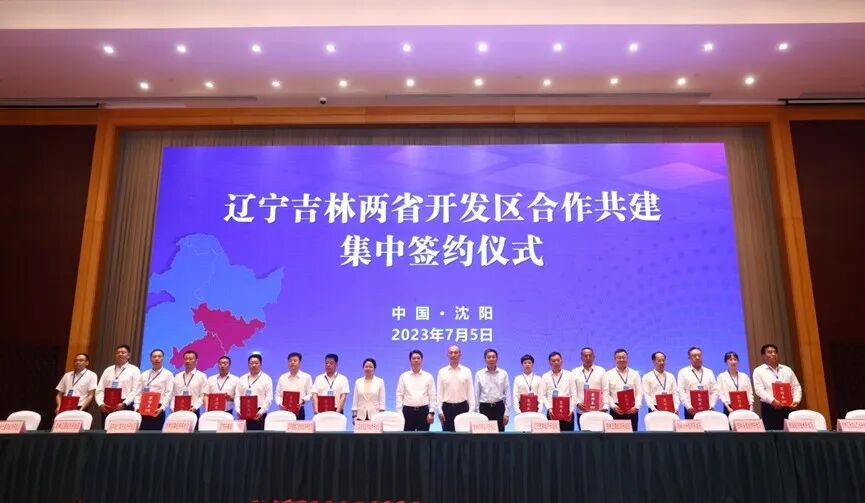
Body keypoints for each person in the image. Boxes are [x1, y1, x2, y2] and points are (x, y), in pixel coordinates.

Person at [752, 344, 802, 430]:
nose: (773, 354)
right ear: (763, 356)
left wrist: (796, 400)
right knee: (773, 434)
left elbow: (796, 387)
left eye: (775, 352)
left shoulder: (787, 369)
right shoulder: (758, 371)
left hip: (788, 406)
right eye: (769, 352)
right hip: (770, 408)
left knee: (790, 433)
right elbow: (759, 390)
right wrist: (772, 401)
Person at [95, 344, 141, 424]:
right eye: (118, 352)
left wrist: (124, 404)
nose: (120, 354)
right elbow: (99, 389)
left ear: (128, 355)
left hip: (125, 406)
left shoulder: (134, 370)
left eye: (123, 352)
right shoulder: (108, 370)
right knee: (107, 430)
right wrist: (100, 404)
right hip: (107, 406)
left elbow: (135, 390)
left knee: (123, 430)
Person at [395, 349, 437, 431]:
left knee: (423, 437)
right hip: (407, 412)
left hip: (423, 412)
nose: (416, 360)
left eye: (418, 358)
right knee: (408, 437)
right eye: (414, 358)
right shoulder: (404, 376)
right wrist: (399, 412)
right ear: (410, 360)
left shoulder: (428, 376)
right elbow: (399, 395)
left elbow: (432, 395)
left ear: (422, 360)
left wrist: (431, 412)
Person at [437, 345, 475, 432]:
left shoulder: (467, 371)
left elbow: (470, 392)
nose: (453, 355)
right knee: (447, 436)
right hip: (447, 409)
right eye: (451, 353)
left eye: (456, 352)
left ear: (460, 354)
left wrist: (471, 411)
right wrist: (440, 411)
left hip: (463, 408)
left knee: (464, 436)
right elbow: (439, 393)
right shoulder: (442, 372)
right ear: (448, 355)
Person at [603, 348, 642, 431]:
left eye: (623, 357)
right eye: (619, 358)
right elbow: (606, 393)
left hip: (632, 410)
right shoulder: (608, 374)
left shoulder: (635, 374)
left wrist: (637, 407)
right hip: (616, 410)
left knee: (632, 436)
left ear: (627, 358)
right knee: (616, 436)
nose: (621, 360)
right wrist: (613, 406)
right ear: (615, 359)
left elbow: (639, 392)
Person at [135, 348, 174, 430]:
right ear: (150, 359)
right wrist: (137, 407)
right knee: (142, 433)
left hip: (158, 409)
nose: (157, 359)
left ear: (163, 358)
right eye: (154, 356)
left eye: (159, 356)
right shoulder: (144, 374)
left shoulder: (168, 374)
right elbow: (138, 393)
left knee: (155, 434)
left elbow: (169, 393)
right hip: (143, 408)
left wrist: (162, 408)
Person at [677, 346, 718, 419]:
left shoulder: (709, 372)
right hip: (690, 411)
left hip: (708, 410)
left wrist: (712, 405)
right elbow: (681, 391)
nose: (697, 357)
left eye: (699, 355)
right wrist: (688, 406)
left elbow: (715, 390)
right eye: (694, 356)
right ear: (689, 358)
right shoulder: (683, 372)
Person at [474, 348, 511, 431]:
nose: (491, 359)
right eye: (488, 357)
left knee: (499, 434)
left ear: (497, 359)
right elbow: (476, 394)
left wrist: (507, 413)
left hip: (499, 407)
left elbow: (507, 393)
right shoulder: (479, 374)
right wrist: (476, 413)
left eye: (493, 357)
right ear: (485, 359)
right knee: (484, 434)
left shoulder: (503, 373)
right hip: (484, 408)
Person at [539, 351, 576, 431]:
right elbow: (542, 395)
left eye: (558, 360)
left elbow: (574, 394)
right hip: (552, 412)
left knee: (568, 437)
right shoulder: (545, 376)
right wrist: (549, 408)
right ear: (549, 363)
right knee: (552, 436)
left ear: (561, 361)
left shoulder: (569, 375)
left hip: (567, 412)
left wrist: (571, 409)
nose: (556, 362)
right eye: (553, 361)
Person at [235, 353, 273, 430]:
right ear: (248, 364)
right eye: (251, 363)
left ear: (261, 364)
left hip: (259, 413)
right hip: (244, 411)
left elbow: (269, 397)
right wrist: (238, 410)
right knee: (244, 435)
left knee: (258, 436)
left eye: (256, 363)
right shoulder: (242, 378)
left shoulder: (266, 378)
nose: (253, 365)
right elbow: (237, 396)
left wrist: (261, 411)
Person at [573, 346, 607, 429]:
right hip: (582, 411)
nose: (588, 358)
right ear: (581, 357)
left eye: (590, 355)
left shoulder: (601, 371)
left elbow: (605, 389)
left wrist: (605, 406)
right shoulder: (574, 372)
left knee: (600, 435)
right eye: (585, 356)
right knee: (584, 435)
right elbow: (573, 391)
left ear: (594, 357)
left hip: (599, 411)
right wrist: (577, 403)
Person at [275, 352, 313, 419]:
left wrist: (302, 401)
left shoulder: (306, 377)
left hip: (299, 410)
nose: (292, 362)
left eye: (295, 361)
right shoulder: (282, 377)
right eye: (290, 361)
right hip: (284, 410)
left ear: (299, 362)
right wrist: (279, 403)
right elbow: (277, 395)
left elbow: (310, 394)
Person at [172, 350, 207, 415]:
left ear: (196, 361)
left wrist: (195, 407)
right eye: (185, 359)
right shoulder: (177, 376)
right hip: (177, 410)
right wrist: (172, 407)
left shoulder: (202, 376)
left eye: (190, 359)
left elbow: (203, 395)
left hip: (193, 410)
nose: (187, 361)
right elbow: (173, 394)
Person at [351, 358, 386, 423]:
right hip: (360, 416)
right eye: (366, 367)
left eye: (370, 367)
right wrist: (354, 416)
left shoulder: (380, 381)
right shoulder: (358, 381)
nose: (368, 368)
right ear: (363, 368)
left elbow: (382, 401)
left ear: (374, 368)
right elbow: (355, 400)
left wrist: (381, 416)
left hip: (375, 415)